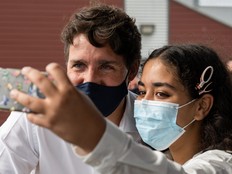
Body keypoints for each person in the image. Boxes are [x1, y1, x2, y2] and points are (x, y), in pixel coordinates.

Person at [10, 44, 232, 173]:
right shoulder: (161, 157)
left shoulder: (220, 164)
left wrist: (90, 134)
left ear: (201, 106)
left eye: (162, 94)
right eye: (143, 91)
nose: (145, 103)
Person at [0, 3, 141, 173]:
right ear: (66, 67)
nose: (90, 79)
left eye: (106, 67)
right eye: (79, 65)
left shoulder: (150, 124)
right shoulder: (35, 116)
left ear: (131, 71)